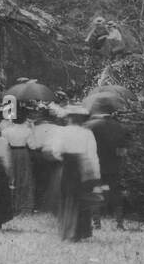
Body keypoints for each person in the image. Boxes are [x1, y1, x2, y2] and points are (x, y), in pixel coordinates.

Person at [48, 105, 102, 241]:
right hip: (82, 167)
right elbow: (92, 155)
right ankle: (80, 232)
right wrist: (96, 174)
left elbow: (56, 151)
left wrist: (65, 159)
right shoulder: (87, 133)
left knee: (66, 198)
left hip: (66, 166)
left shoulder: (61, 132)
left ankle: (67, 230)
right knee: (81, 199)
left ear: (69, 118)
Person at [89, 101, 129, 230]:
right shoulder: (120, 127)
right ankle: (119, 223)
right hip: (113, 167)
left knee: (95, 192)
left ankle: (96, 224)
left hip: (95, 166)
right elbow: (122, 151)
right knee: (115, 194)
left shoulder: (89, 126)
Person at [1, 104, 36, 214]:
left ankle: (11, 205)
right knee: (24, 179)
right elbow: (33, 146)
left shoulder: (6, 131)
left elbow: (3, 145)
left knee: (11, 177)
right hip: (23, 154)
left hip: (10, 153)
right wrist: (32, 128)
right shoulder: (28, 130)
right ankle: (24, 206)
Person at [30, 103, 61, 215]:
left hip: (37, 156)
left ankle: (38, 205)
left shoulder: (34, 127)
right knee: (51, 181)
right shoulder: (57, 128)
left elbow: (32, 144)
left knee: (38, 181)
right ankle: (49, 206)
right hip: (51, 155)